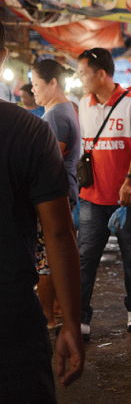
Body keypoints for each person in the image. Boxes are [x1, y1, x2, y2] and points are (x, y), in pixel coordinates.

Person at [0, 21, 84, 402]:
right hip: (12, 317)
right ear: (4, 56)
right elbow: (59, 233)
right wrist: (70, 322)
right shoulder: (29, 131)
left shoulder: (43, 125)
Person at [77, 47, 131, 341]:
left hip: (126, 200)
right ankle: (80, 318)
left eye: (83, 73)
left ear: (101, 75)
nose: (79, 78)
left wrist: (130, 181)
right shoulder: (83, 103)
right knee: (85, 260)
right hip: (92, 198)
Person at [31, 59, 81, 331]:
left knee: (46, 259)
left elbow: (47, 159)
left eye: (37, 84)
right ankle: (56, 311)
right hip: (64, 189)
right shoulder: (62, 109)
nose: (33, 89)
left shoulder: (56, 115)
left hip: (55, 193)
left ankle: (48, 316)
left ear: (52, 83)